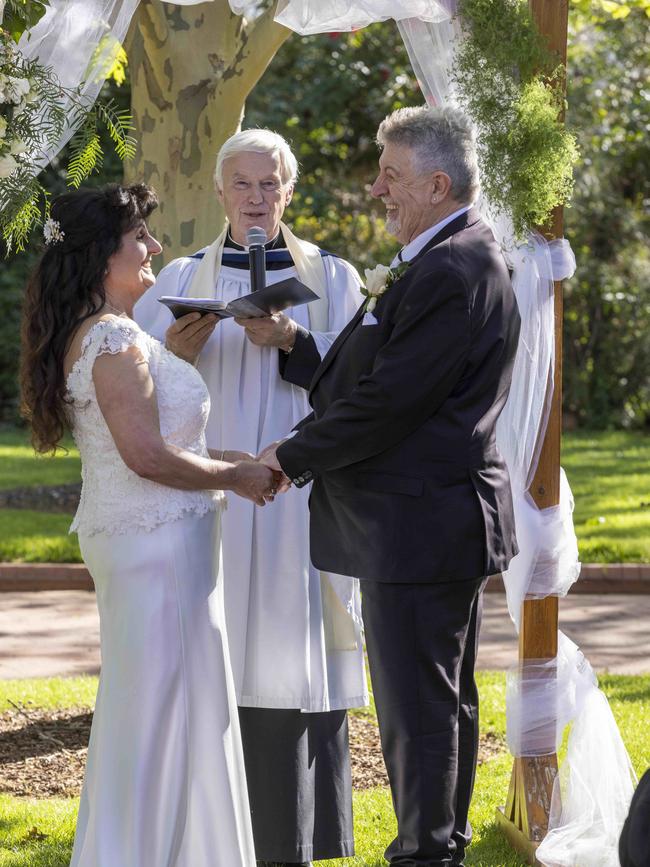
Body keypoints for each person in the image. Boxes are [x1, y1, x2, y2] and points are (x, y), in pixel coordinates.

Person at [260, 106, 521, 866]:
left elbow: (390, 402)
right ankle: (439, 843)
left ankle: (426, 852)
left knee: (418, 708)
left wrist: (289, 455)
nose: (377, 188)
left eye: (391, 175)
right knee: (441, 698)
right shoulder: (446, 251)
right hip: (435, 519)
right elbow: (386, 374)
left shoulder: (450, 268)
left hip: (420, 524)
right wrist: (300, 347)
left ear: (438, 184)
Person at [20, 183, 278, 867]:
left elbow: (162, 442)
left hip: (159, 543)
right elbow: (146, 455)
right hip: (154, 550)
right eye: (141, 237)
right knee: (160, 713)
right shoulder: (111, 339)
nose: (155, 247)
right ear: (104, 254)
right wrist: (235, 477)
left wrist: (245, 461)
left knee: (176, 709)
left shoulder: (121, 335)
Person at [136, 129, 368, 867]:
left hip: (297, 494)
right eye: (243, 184)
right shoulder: (178, 274)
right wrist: (175, 352)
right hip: (206, 492)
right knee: (212, 645)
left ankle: (291, 836)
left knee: (286, 650)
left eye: (271, 184)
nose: (257, 198)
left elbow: (369, 382)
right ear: (218, 191)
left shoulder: (332, 277)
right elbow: (130, 388)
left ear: (290, 191)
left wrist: (297, 338)